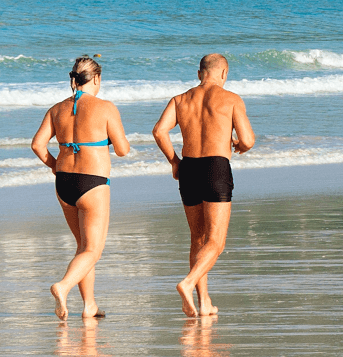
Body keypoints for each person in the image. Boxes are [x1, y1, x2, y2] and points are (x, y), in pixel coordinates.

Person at [152, 53, 256, 317]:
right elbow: (248, 139)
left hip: (188, 168)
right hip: (215, 168)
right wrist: (238, 145)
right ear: (224, 73)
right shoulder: (231, 99)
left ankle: (204, 302)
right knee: (215, 241)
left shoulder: (180, 100)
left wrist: (174, 162)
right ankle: (187, 283)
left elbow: (159, 131)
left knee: (197, 239)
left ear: (199, 73)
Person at [32, 57, 131, 320]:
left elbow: (37, 146)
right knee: (93, 250)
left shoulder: (56, 109)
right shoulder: (105, 107)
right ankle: (62, 286)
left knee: (83, 247)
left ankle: (90, 306)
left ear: (73, 79)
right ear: (96, 79)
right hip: (93, 183)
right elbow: (122, 150)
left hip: (63, 183)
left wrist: (55, 166)